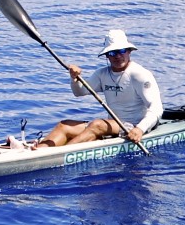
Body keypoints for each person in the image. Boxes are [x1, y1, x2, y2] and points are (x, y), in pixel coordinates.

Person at [28, 28, 164, 148]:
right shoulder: (102, 74)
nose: (117, 56)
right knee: (64, 125)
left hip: (134, 125)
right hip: (113, 125)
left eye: (121, 51)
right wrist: (74, 78)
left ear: (129, 51)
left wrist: (140, 129)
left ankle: (57, 155)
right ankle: (37, 151)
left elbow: (156, 108)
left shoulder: (139, 74)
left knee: (97, 125)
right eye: (112, 53)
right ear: (107, 56)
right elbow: (79, 92)